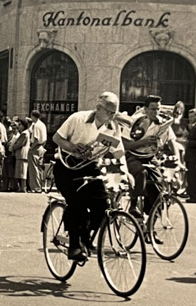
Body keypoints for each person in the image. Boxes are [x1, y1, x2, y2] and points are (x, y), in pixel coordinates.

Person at [52, 92, 126, 261]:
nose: (112, 116)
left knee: (103, 206)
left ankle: (86, 234)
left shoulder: (113, 127)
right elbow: (57, 138)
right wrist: (72, 147)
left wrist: (124, 171)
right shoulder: (78, 118)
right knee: (76, 202)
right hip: (67, 166)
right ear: (98, 108)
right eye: (109, 112)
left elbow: (119, 152)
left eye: (114, 113)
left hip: (91, 166)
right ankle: (74, 246)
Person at [121, 95, 177, 219]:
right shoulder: (135, 121)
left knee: (159, 190)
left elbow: (172, 142)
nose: (156, 112)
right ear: (145, 109)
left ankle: (150, 228)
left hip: (151, 156)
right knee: (141, 172)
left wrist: (177, 159)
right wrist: (143, 142)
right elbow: (124, 145)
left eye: (158, 109)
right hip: (133, 156)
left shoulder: (162, 122)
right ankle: (133, 205)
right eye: (152, 109)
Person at [184, 109, 196, 203]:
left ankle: (195, 196)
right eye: (189, 117)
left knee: (194, 176)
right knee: (190, 176)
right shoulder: (191, 127)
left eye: (192, 117)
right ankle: (192, 194)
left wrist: (188, 142)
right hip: (189, 154)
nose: (190, 119)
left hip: (194, 154)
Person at [27, 110, 48, 193]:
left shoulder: (36, 125)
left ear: (33, 116)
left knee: (33, 168)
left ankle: (35, 187)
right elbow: (44, 139)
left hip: (35, 147)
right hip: (41, 147)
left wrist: (31, 148)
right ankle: (39, 186)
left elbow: (36, 139)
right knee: (39, 168)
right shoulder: (42, 125)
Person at [12, 118, 30, 193]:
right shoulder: (26, 133)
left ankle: (23, 187)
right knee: (21, 171)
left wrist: (13, 147)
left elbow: (20, 144)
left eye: (20, 124)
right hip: (22, 155)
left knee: (22, 172)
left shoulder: (24, 133)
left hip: (22, 154)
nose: (19, 126)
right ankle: (22, 187)